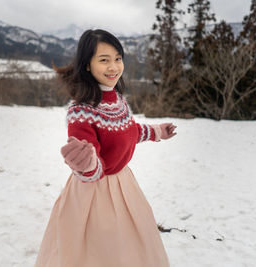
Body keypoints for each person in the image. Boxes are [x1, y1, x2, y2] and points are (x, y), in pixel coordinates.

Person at [35, 29, 177, 267]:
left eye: (117, 59)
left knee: (134, 249)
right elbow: (91, 167)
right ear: (88, 65)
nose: (113, 67)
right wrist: (87, 163)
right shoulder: (81, 111)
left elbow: (128, 131)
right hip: (95, 195)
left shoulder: (118, 100)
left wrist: (157, 132)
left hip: (124, 186)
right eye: (104, 60)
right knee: (101, 253)